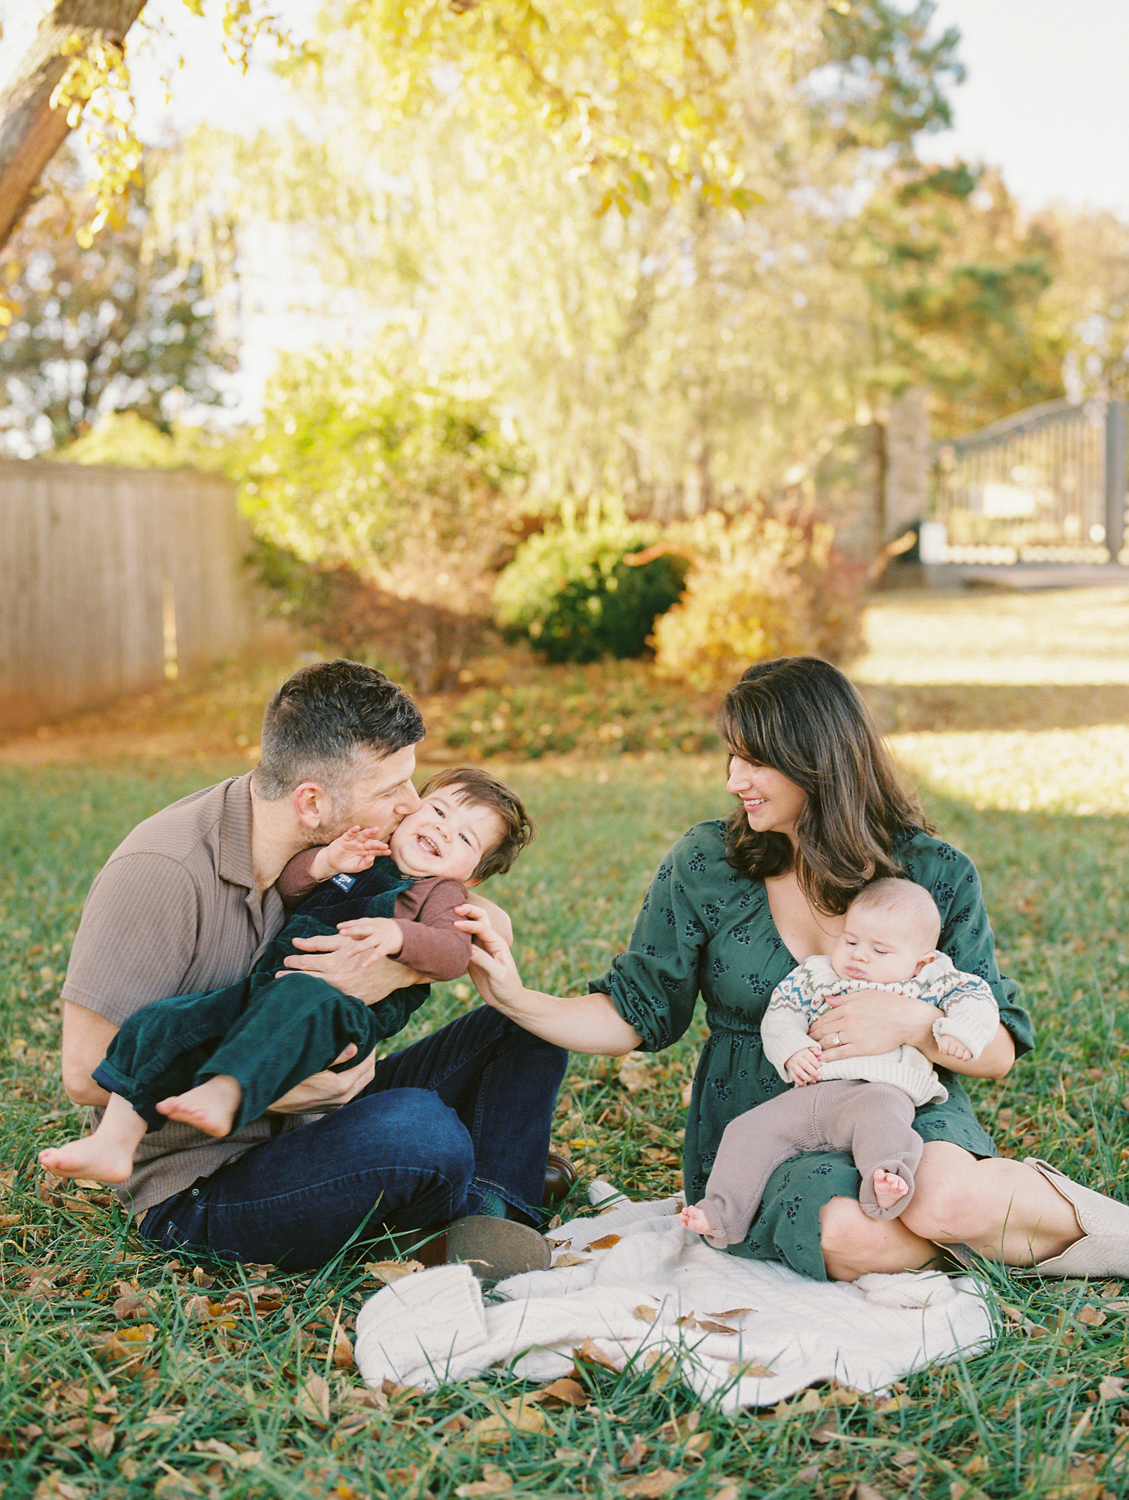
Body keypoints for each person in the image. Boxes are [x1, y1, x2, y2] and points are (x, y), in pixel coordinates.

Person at [457, 657, 1129, 1281]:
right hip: (763, 1117)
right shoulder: (707, 863)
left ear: (817, 762)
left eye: (754, 761)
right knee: (848, 1235)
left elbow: (998, 1050)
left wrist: (913, 1021)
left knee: (945, 1200)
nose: (732, 781)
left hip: (903, 1098)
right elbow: (637, 1013)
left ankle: (1102, 1234)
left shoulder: (933, 873)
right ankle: (991, 1231)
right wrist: (516, 999)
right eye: (731, 757)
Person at [53, 659, 568, 1274]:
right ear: (313, 802)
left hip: (321, 1118)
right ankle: (458, 1190)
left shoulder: (323, 842)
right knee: (425, 1134)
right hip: (207, 1182)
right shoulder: (163, 872)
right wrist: (290, 1089)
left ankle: (496, 1209)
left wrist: (398, 968)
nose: (412, 807)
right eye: (392, 792)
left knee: (529, 1022)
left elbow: (472, 918)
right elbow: (85, 1075)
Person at [41, 766, 531, 1181]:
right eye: (439, 812)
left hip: (336, 1015)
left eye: (464, 836)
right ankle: (113, 1141)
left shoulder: (440, 896)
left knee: (315, 1013)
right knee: (169, 1021)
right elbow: (294, 886)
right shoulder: (365, 852)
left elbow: (451, 953)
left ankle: (226, 1092)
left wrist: (401, 941)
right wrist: (325, 862)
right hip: (265, 994)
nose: (445, 830)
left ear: (472, 878)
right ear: (409, 812)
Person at [679, 877, 999, 1246]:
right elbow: (782, 1013)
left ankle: (887, 1179)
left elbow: (977, 997)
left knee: (882, 1123)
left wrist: (961, 1031)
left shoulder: (929, 978)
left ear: (920, 960)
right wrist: (793, 1049)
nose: (859, 955)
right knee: (748, 1131)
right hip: (816, 1092)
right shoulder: (818, 975)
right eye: (850, 941)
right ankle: (721, 1214)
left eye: (880, 950)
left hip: (880, 1088)